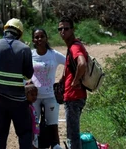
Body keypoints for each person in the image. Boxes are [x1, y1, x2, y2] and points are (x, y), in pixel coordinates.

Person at [0, 18, 34, 149]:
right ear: (20, 33)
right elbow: (28, 75)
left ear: (5, 30)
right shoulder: (25, 49)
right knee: (24, 134)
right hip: (18, 101)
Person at [30, 28, 65, 149]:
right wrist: (27, 83)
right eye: (36, 37)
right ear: (33, 40)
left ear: (46, 38)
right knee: (33, 128)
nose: (39, 39)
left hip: (50, 96)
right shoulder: (30, 54)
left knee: (53, 128)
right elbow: (22, 71)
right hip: (34, 98)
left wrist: (62, 80)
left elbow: (69, 64)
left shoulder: (54, 55)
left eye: (42, 36)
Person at [59, 19, 88, 149]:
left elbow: (82, 64)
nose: (63, 32)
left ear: (73, 29)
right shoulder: (71, 47)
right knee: (72, 133)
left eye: (66, 28)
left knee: (73, 135)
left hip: (74, 97)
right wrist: (62, 80)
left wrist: (75, 81)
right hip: (74, 96)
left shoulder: (75, 47)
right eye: (60, 29)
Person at [25, 83, 40, 149]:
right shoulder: (27, 107)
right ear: (26, 95)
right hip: (31, 132)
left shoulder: (32, 106)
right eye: (32, 95)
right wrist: (32, 133)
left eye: (36, 95)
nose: (34, 97)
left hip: (35, 132)